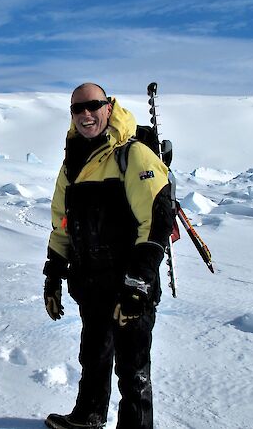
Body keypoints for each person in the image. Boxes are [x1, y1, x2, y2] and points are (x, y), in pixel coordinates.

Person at [43, 83, 174, 429]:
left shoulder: (132, 156)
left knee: (133, 370)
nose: (86, 114)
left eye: (93, 106)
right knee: (93, 357)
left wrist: (137, 285)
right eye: (78, 109)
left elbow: (156, 223)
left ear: (108, 106)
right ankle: (88, 416)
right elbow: (62, 225)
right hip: (91, 284)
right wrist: (53, 276)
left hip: (129, 284)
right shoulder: (72, 163)